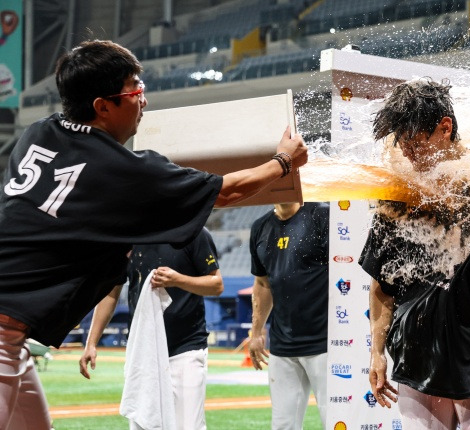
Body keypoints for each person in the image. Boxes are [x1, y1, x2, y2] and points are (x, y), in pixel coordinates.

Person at [0, 39, 307, 430]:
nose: (142, 100)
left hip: (13, 335)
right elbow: (225, 191)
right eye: (134, 90)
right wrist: (283, 162)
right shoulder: (121, 169)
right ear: (103, 106)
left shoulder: (37, 132)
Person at [359, 78, 470, 430]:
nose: (407, 153)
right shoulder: (397, 191)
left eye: (415, 142)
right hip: (415, 359)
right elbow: (383, 283)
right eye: (400, 143)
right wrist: (376, 353)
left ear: (444, 128)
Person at [79, 227, 222, 429]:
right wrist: (91, 343)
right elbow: (111, 293)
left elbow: (216, 284)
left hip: (185, 349)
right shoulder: (128, 236)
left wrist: (178, 280)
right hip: (143, 351)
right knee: (141, 423)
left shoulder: (193, 231)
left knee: (188, 426)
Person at [248, 202, 329, 430]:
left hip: (325, 343)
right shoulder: (260, 227)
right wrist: (256, 333)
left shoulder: (322, 216)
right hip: (282, 346)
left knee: (335, 421)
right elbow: (263, 283)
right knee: (283, 425)